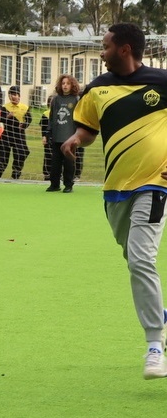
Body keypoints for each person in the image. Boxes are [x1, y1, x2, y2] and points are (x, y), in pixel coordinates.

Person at [61, 23, 167, 380]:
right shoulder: (97, 88)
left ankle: (155, 344)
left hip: (155, 186)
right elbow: (88, 128)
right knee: (133, 258)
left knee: (141, 258)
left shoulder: (162, 82)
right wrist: (77, 139)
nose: (100, 51)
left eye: (105, 46)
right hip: (115, 190)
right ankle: (161, 314)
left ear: (124, 49)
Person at [44, 74, 80, 193]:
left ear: (72, 85)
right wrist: (48, 133)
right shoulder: (56, 99)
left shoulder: (76, 99)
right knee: (55, 162)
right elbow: (52, 117)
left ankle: (68, 185)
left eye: (68, 83)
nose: (65, 86)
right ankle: (54, 184)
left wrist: (78, 135)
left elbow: (80, 118)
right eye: (63, 83)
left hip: (70, 137)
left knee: (69, 163)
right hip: (57, 137)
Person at [0, 85, 32, 179]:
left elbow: (29, 120)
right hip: (7, 134)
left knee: (20, 154)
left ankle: (16, 174)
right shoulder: (5, 107)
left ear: (19, 96)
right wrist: (7, 117)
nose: (13, 96)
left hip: (19, 135)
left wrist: (24, 125)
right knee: (2, 155)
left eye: (15, 94)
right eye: (11, 94)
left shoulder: (25, 108)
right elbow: (0, 119)